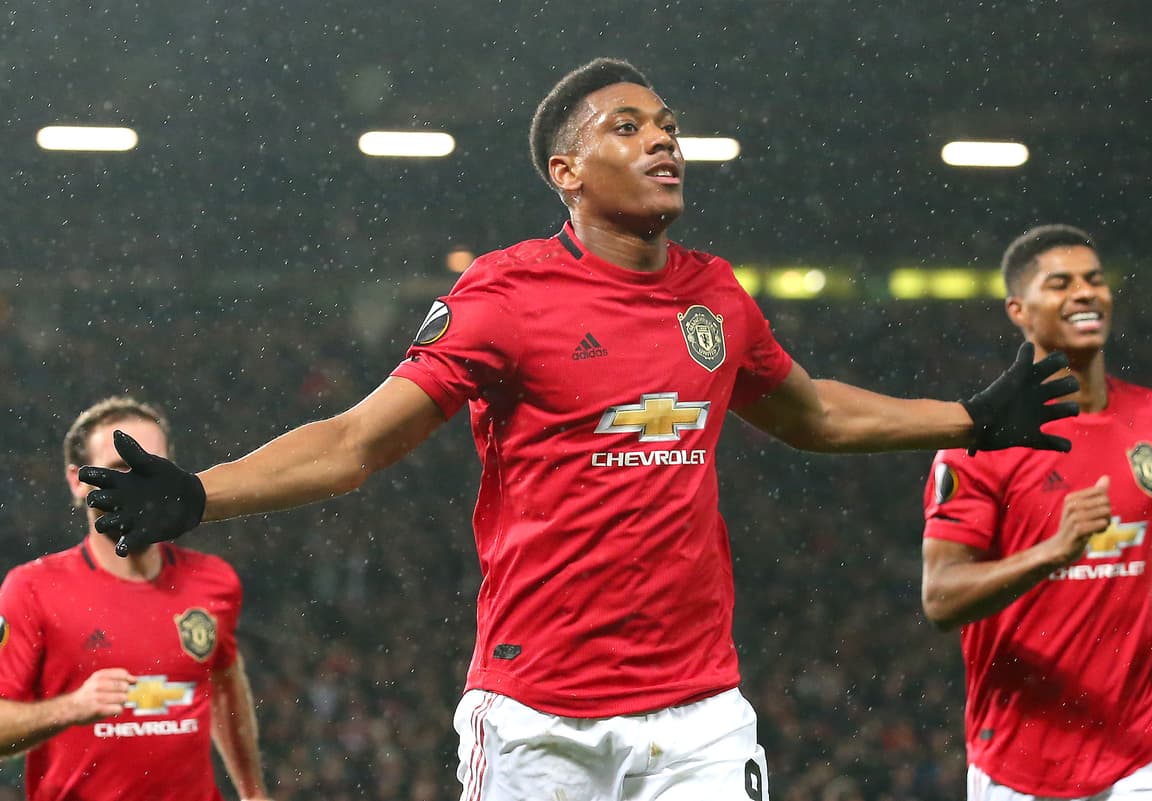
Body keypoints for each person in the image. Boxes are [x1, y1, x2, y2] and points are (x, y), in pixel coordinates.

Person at [81, 59, 1078, 801]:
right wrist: (201, 490)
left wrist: (968, 418)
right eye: (628, 127)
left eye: (668, 125)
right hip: (535, 722)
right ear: (567, 170)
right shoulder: (506, 294)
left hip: (697, 715)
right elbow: (355, 442)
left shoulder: (715, 298)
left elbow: (810, 412)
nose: (662, 141)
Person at [920, 225, 1152, 801]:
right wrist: (1052, 553)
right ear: (1019, 309)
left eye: (1094, 280)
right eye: (1060, 284)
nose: (1085, 293)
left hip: (1140, 754)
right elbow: (940, 599)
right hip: (1020, 765)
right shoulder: (982, 440)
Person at [0, 397, 271, 801]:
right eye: (118, 469)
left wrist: (253, 793)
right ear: (76, 480)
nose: (136, 484)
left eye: (150, 468)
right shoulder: (32, 588)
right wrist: (71, 707)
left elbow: (225, 686)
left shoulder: (215, 581)